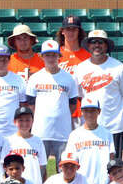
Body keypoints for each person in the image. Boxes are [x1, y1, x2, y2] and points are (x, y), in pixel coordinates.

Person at [73, 29, 123, 158]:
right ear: (88, 46)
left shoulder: (120, 69)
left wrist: (114, 110)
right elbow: (79, 97)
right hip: (88, 127)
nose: (97, 45)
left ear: (106, 46)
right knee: (89, 163)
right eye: (93, 42)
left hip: (112, 126)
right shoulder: (80, 69)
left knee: (113, 167)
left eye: (100, 42)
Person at [25, 39, 81, 167]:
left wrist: (61, 115)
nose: (51, 58)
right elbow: (31, 104)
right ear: (42, 56)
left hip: (62, 132)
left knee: (64, 169)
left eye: (54, 55)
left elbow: (72, 104)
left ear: (59, 57)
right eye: (47, 55)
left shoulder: (69, 78)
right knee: (39, 169)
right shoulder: (35, 78)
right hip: (40, 131)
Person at [64, 98, 114, 184]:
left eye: (93, 110)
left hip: (102, 183)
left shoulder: (107, 134)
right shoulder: (74, 135)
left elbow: (111, 158)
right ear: (82, 111)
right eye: (86, 111)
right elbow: (70, 161)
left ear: (99, 111)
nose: (89, 114)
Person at [6, 105, 48, 184]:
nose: (24, 123)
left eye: (27, 120)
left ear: (32, 121)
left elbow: (43, 166)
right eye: (20, 120)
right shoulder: (8, 141)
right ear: (14, 122)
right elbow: (4, 167)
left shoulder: (38, 141)